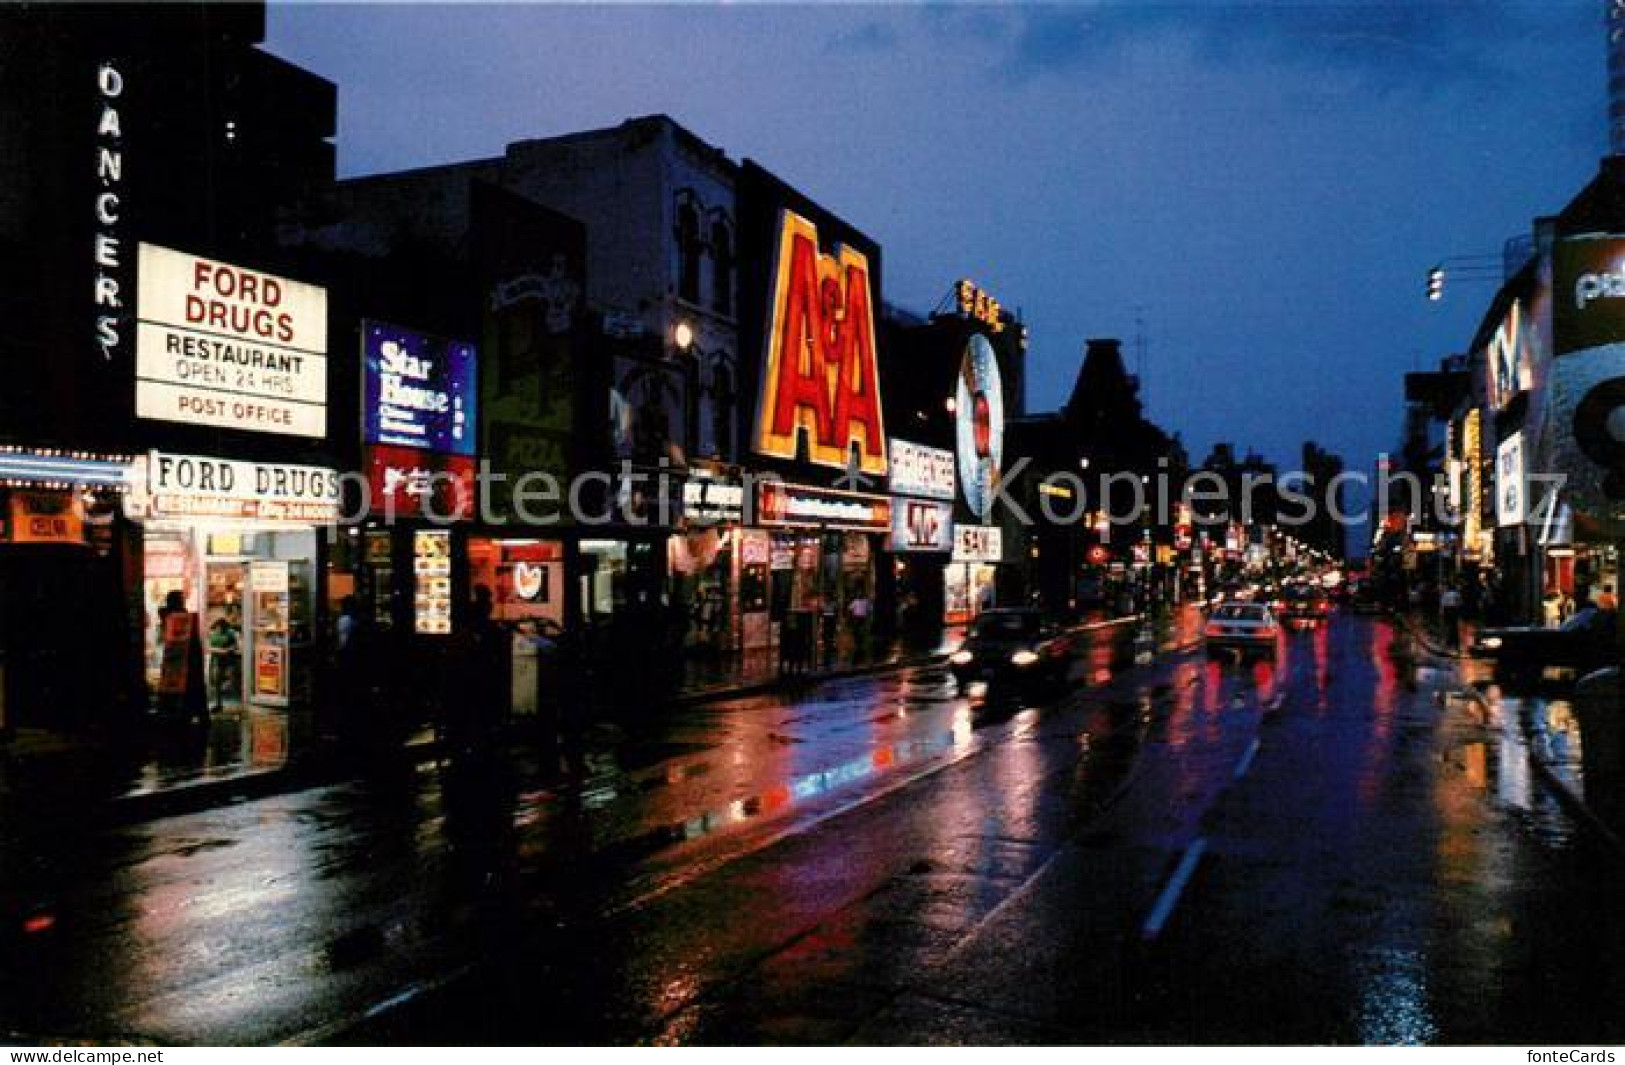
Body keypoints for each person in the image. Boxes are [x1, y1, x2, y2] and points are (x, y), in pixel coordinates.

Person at [206, 616, 240, 712]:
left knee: (229, 682)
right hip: (216, 659)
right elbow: (209, 645)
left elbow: (236, 646)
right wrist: (215, 650)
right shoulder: (214, 633)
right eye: (217, 627)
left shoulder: (230, 632)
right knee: (216, 682)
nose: (218, 628)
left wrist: (227, 650)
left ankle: (233, 702)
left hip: (227, 660)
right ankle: (218, 703)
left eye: (220, 627)